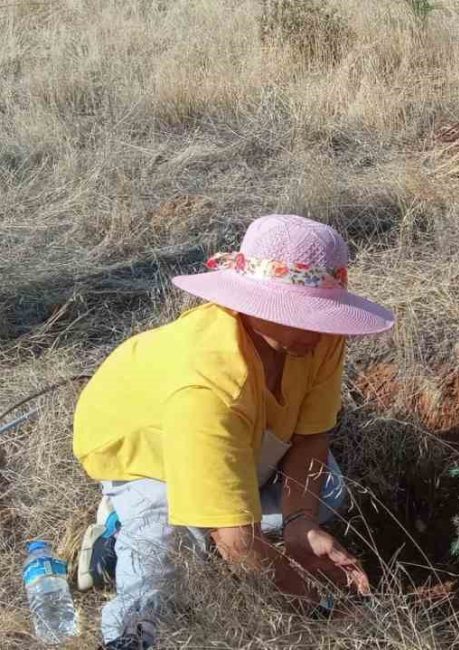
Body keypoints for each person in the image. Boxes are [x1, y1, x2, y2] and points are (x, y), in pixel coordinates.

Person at [71, 214, 395, 649]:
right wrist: (316, 602)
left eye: (324, 313)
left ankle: (208, 517)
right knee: (165, 542)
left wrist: (301, 525)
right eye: (302, 314)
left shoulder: (317, 337)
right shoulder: (207, 384)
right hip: (151, 451)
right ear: (252, 305)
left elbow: (311, 436)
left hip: (247, 432)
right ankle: (122, 555)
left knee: (328, 492)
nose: (319, 331)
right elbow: (239, 544)